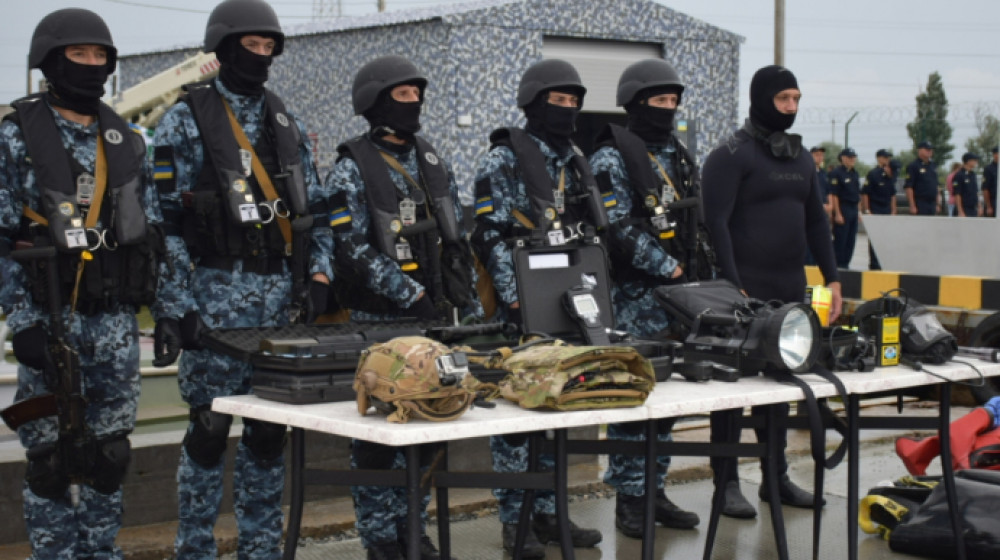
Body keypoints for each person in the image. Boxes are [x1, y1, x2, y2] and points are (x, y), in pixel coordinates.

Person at [149, 0, 334, 557]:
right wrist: (176, 305)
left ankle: (260, 548)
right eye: (250, 45)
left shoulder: (285, 121)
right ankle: (194, 548)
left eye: (267, 47)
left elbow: (317, 211)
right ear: (225, 49)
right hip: (213, 303)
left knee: (268, 435)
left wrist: (320, 272)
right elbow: (162, 224)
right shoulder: (185, 119)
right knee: (208, 433)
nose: (260, 56)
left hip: (279, 307)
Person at [0, 8, 165, 558]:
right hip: (49, 319)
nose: (92, 64)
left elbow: (152, 237)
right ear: (51, 61)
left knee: (109, 457)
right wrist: (23, 321)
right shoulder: (15, 137)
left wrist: (168, 313)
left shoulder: (128, 140)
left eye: (100, 56)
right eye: (79, 54)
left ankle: (101, 552)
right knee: (48, 462)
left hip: (115, 324)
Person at [325, 54, 482, 560]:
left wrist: (465, 301)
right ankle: (379, 538)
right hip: (381, 319)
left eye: (418, 94)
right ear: (375, 101)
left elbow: (456, 236)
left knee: (428, 426)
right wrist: (408, 292)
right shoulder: (350, 168)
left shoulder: (432, 160)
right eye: (403, 94)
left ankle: (414, 529)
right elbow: (349, 246)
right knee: (377, 438)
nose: (414, 102)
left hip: (433, 320)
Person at [470, 58, 603, 558]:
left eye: (573, 101)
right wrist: (515, 297)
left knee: (556, 410)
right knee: (515, 421)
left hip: (567, 306)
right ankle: (516, 521)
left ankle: (549, 513)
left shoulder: (575, 159)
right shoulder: (503, 159)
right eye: (557, 100)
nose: (567, 109)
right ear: (532, 103)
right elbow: (488, 234)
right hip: (518, 307)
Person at [700, 65, 842, 519]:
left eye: (796, 99)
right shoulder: (730, 154)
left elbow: (816, 222)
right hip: (742, 293)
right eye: (783, 99)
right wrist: (731, 283)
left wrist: (833, 279)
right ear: (762, 98)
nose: (791, 107)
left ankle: (775, 477)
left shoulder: (801, 160)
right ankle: (725, 485)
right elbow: (715, 222)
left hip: (788, 289)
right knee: (732, 395)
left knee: (781, 387)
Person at [587, 58, 702, 539]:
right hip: (634, 298)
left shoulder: (677, 154)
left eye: (674, 101)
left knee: (669, 406)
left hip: (679, 300)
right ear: (635, 103)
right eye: (660, 100)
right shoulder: (610, 158)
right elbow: (616, 227)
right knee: (633, 403)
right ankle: (630, 500)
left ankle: (655, 491)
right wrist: (668, 267)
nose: (668, 108)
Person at [861, 149, 898, 270]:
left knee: (886, 239)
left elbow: (892, 194)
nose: (887, 160)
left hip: (886, 210)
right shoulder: (873, 174)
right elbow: (865, 193)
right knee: (874, 239)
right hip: (875, 209)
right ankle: (874, 265)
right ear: (879, 158)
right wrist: (867, 210)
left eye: (888, 158)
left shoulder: (891, 175)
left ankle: (884, 263)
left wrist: (893, 210)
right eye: (885, 157)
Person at [829, 147, 860, 268]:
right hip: (843, 207)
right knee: (841, 239)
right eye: (850, 157)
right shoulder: (836, 173)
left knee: (851, 239)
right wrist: (837, 213)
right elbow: (834, 194)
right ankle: (838, 265)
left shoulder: (854, 173)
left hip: (853, 208)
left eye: (854, 157)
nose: (852, 160)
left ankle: (846, 263)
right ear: (843, 158)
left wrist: (859, 211)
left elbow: (857, 193)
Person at [904, 141, 940, 215]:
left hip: (932, 203)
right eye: (927, 149)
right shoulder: (913, 166)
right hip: (920, 203)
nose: (929, 151)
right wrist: (912, 205)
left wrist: (937, 203)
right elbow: (909, 187)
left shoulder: (933, 165)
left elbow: (936, 185)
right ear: (920, 150)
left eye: (930, 149)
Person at [952, 152, 981, 218]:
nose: (976, 162)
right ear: (968, 161)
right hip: (964, 208)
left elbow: (975, 192)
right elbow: (957, 194)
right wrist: (960, 211)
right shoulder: (959, 175)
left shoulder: (973, 175)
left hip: (972, 209)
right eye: (974, 160)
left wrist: (979, 207)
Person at [984, 147, 998, 217]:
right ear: (995, 155)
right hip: (994, 201)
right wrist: (988, 206)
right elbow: (985, 188)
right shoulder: (989, 169)